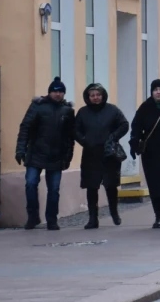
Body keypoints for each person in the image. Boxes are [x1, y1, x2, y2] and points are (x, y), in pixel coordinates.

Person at [15, 78, 76, 230]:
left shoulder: (68, 111)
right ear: (49, 92)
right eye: (55, 91)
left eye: (60, 91)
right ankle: (33, 217)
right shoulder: (38, 106)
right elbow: (25, 128)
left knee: (54, 190)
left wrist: (68, 156)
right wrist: (20, 149)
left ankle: (52, 219)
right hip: (35, 153)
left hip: (56, 156)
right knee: (30, 184)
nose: (58, 94)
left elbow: (70, 136)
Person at [74, 84, 130, 229]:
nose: (95, 98)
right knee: (91, 187)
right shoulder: (83, 112)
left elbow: (124, 125)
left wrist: (113, 137)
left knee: (111, 185)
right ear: (88, 97)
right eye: (92, 95)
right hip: (91, 154)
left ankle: (114, 212)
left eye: (98, 95)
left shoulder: (112, 110)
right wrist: (84, 141)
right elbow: (75, 130)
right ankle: (93, 218)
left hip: (109, 153)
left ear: (103, 95)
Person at [130, 79, 160, 229]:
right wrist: (134, 142)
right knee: (154, 184)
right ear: (151, 92)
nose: (158, 92)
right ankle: (158, 215)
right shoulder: (145, 108)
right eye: (155, 89)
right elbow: (136, 126)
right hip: (151, 152)